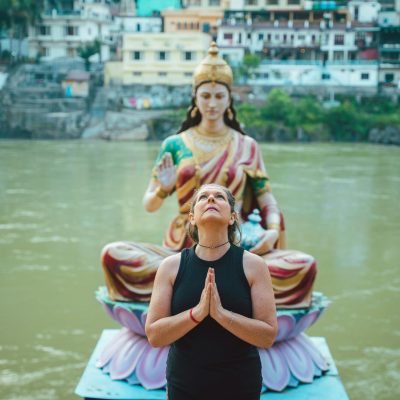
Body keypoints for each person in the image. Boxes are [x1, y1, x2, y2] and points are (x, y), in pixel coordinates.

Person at [101, 42, 316, 308]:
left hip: (238, 246)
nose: (212, 103)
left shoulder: (247, 145)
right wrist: (162, 188)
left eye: (218, 96)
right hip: (182, 248)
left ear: (229, 99)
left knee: (303, 265)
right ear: (195, 97)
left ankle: (196, 288)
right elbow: (149, 205)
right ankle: (220, 287)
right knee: (113, 255)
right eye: (205, 96)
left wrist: (272, 230)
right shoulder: (175, 144)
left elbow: (267, 199)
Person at [145, 183, 278, 400]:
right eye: (203, 198)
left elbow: (267, 336)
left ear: (232, 217)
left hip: (239, 382)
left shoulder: (253, 265)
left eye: (219, 197)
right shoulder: (171, 266)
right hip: (185, 382)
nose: (211, 200)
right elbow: (154, 335)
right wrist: (196, 314)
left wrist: (221, 315)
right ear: (192, 218)